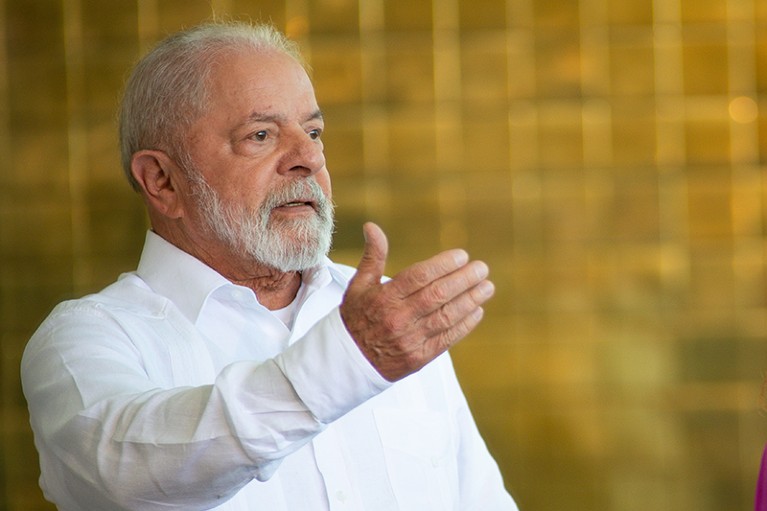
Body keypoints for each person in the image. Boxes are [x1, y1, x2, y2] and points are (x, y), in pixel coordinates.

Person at [21, 21, 517, 511]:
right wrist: (350, 359)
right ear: (163, 181)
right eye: (260, 135)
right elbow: (127, 478)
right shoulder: (87, 338)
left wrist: (366, 346)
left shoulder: (391, 316)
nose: (308, 157)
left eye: (314, 130)